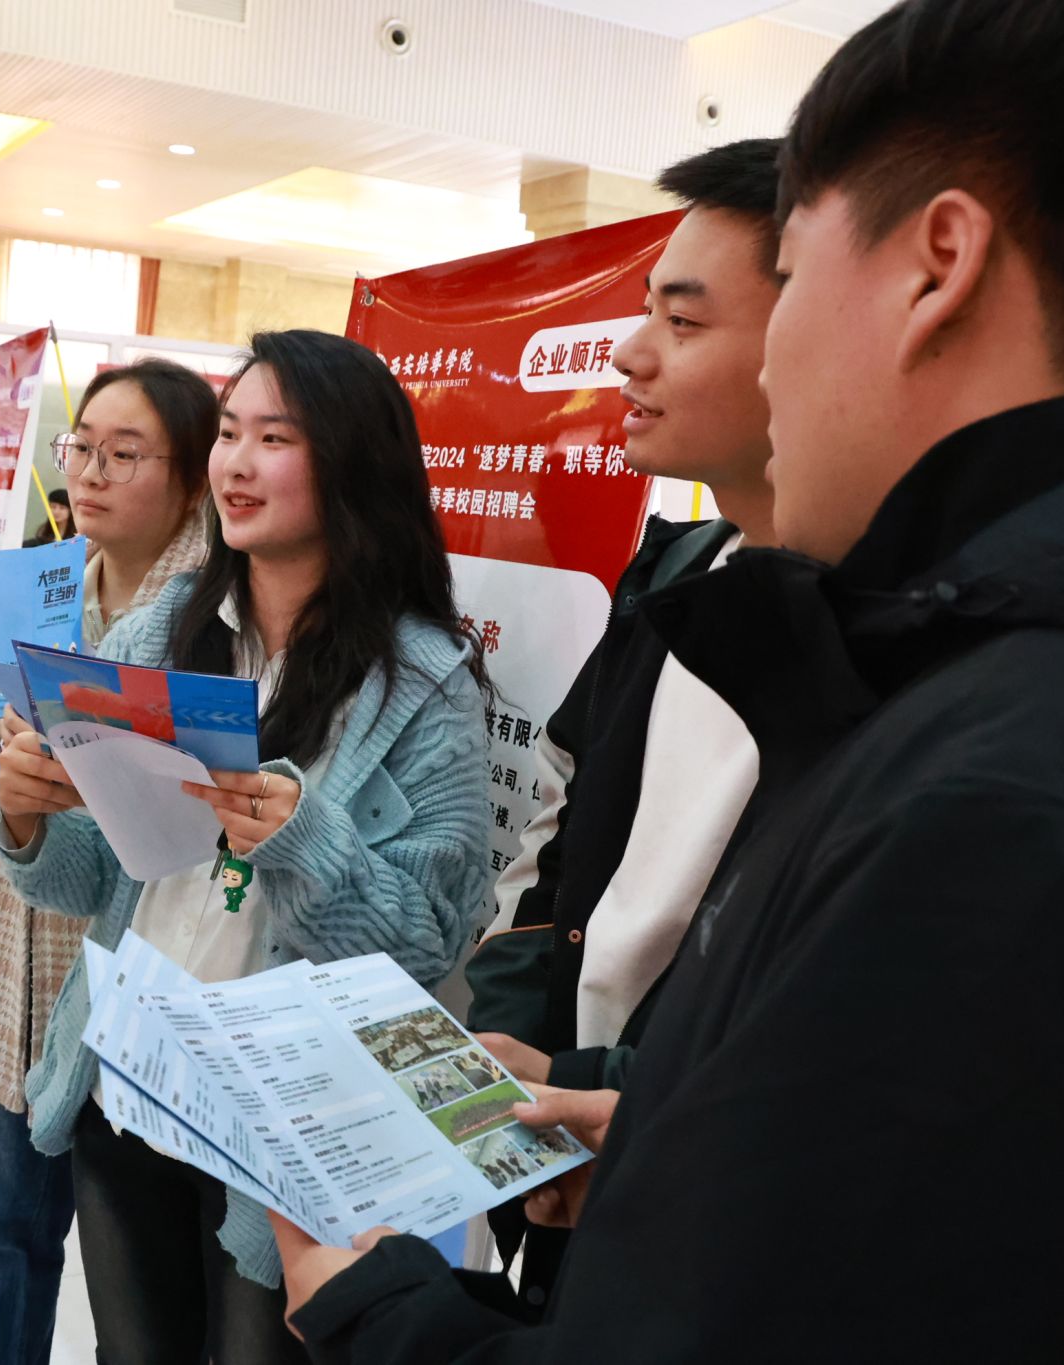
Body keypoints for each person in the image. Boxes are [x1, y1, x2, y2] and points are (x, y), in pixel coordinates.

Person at [273, 0, 1064, 1358]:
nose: (646, 355)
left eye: (791, 277)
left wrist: (378, 1314)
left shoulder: (1024, 790)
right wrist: (670, 1134)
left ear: (938, 267)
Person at [0, 330, 494, 1364]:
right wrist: (31, 816)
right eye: (228, 433)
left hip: (283, 1134)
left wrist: (303, 838)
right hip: (129, 1084)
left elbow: (429, 941)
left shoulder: (424, 683)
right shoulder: (163, 631)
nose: (236, 463)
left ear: (351, 463)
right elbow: (100, 880)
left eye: (275, 437)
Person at [462, 138, 781, 1315]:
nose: (627, 352)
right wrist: (522, 1052)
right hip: (572, 1150)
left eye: (682, 322)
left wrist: (625, 1098)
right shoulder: (677, 581)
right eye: (645, 309)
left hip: (695, 1199)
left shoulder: (904, 657)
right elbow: (560, 840)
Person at [0, 357, 214, 1365]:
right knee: (4, 1236)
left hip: (118, 979)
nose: (88, 471)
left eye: (123, 454)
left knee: (135, 1280)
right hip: (12, 958)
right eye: (80, 446)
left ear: (192, 480)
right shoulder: (42, 584)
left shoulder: (212, 623)